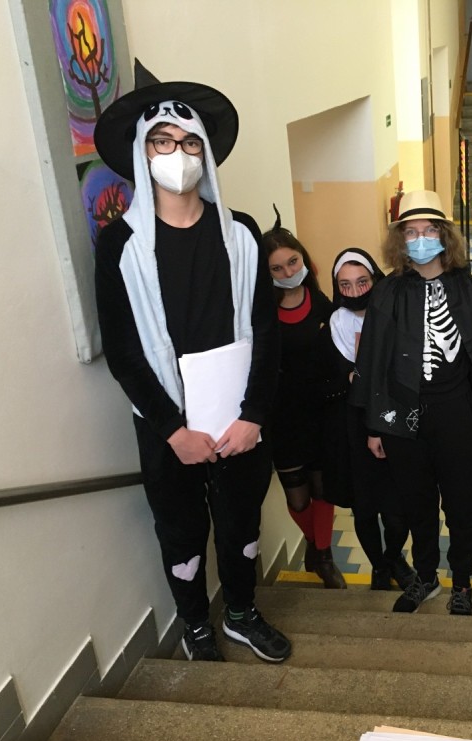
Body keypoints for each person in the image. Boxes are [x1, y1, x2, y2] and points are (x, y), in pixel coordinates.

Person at [93, 61, 291, 662]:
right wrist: (172, 431)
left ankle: (241, 613)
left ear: (205, 153)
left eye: (189, 142)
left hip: (239, 419)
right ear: (142, 151)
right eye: (162, 141)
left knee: (241, 523)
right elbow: (123, 350)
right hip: (168, 429)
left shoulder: (242, 235)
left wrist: (254, 415)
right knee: (180, 530)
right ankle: (195, 623)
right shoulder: (120, 245)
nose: (177, 154)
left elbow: (265, 332)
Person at [350, 190, 472, 616]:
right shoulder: (387, 292)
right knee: (417, 504)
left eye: (429, 230)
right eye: (412, 232)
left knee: (461, 506)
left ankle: (461, 582)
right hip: (403, 417)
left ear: (444, 236)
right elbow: (374, 361)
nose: (421, 239)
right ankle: (425, 576)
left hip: (456, 414)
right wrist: (376, 426)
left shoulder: (467, 290)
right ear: (401, 240)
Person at [312, 247, 417, 590]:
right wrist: (346, 381)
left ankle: (394, 557)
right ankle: (379, 567)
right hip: (351, 431)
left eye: (362, 282)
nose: (355, 291)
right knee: (364, 508)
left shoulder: (395, 316)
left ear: (375, 280)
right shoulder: (331, 326)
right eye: (345, 285)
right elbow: (318, 383)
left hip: (393, 424)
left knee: (398, 510)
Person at [260, 212, 346, 589]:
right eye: (277, 268)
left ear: (303, 259)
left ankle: (324, 557)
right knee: (298, 499)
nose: (288, 272)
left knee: (323, 489)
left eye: (293, 262)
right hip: (283, 419)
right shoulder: (261, 312)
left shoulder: (322, 303)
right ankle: (314, 543)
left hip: (322, 414)